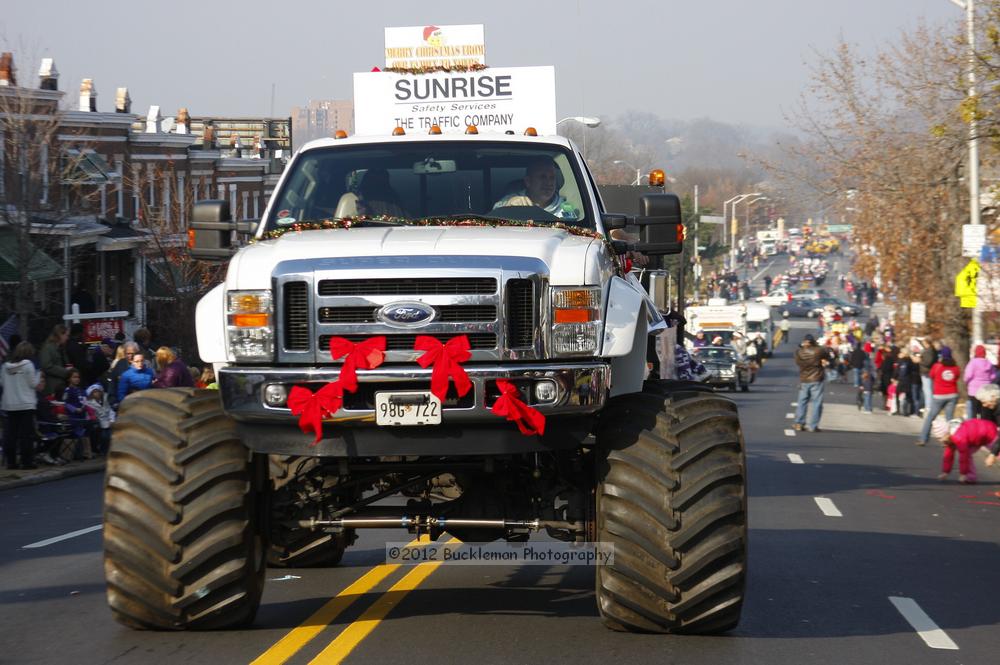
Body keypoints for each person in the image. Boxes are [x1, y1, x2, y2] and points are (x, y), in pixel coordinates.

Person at [492, 158, 580, 220]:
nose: (549, 183)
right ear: (528, 181)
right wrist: (509, 206)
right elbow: (493, 216)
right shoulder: (512, 200)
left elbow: (573, 231)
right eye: (542, 177)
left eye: (552, 177)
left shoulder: (565, 207)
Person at [1, 342, 43, 469]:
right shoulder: (28, 365)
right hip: (26, 404)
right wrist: (39, 374)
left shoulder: (5, 367)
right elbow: (33, 384)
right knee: (26, 435)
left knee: (11, 435)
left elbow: (1, 383)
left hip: (10, 404)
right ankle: (27, 462)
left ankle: (11, 462)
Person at [917, 346, 961, 446]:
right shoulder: (955, 367)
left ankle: (923, 439)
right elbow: (957, 377)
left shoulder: (937, 366)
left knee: (931, 417)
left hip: (939, 395)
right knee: (949, 419)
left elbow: (932, 376)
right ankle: (948, 440)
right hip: (952, 394)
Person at [933, 416, 994, 484]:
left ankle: (967, 475)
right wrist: (945, 472)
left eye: (941, 439)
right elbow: (948, 456)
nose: (941, 442)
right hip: (976, 437)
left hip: (988, 432)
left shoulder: (959, 437)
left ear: (947, 434)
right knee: (968, 454)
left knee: (996, 452)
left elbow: (963, 455)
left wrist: (963, 474)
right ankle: (971, 477)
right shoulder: (950, 438)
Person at [794, 334, 827, 432]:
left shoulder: (798, 352)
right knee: (817, 403)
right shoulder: (818, 351)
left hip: (804, 379)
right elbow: (826, 354)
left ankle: (799, 423)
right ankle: (813, 425)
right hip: (816, 378)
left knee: (802, 402)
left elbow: (797, 362)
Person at [963, 344, 996, 419]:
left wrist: (966, 382)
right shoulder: (989, 363)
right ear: (984, 353)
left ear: (976, 353)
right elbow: (993, 376)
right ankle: (984, 427)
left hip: (974, 391)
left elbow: (968, 375)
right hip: (986, 391)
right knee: (984, 411)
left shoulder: (973, 363)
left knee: (974, 411)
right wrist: (988, 380)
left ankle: (975, 428)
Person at [38, 323, 71, 398]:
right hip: (52, 388)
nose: (67, 338)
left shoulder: (61, 349)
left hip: (62, 386)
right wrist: (65, 371)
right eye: (66, 335)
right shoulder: (48, 348)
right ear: (60, 334)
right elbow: (46, 366)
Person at [85, 384, 113, 456]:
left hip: (109, 421)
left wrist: (111, 420)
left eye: (98, 391)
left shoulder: (106, 399)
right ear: (91, 394)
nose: (97, 393)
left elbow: (110, 411)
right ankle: (102, 451)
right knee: (104, 436)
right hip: (99, 423)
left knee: (109, 435)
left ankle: (107, 450)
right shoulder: (89, 403)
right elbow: (92, 415)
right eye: (95, 392)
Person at [918, 338, 938, 415]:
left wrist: (920, 360)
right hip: (927, 372)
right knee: (928, 389)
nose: (923, 344)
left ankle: (928, 407)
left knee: (928, 390)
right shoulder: (930, 350)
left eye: (924, 343)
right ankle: (929, 406)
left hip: (927, 372)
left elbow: (928, 362)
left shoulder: (929, 351)